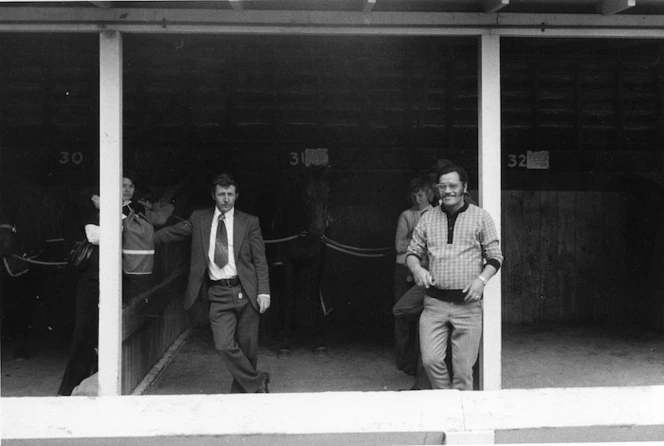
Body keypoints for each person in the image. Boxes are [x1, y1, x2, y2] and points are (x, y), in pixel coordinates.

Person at [153, 173, 271, 393]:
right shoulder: (199, 219)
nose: (226, 199)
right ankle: (257, 380)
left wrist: (264, 291)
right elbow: (173, 233)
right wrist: (140, 238)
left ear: (236, 196)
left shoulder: (249, 222)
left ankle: (242, 394)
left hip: (246, 292)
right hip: (218, 293)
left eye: (230, 194)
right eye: (221, 194)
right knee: (224, 345)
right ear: (213, 196)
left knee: (248, 350)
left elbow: (260, 260)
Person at [406, 164, 503, 390]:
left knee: (463, 370)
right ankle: (447, 402)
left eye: (453, 185)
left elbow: (495, 256)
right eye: (443, 186)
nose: (448, 191)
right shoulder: (428, 218)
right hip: (434, 304)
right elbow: (412, 252)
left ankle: (461, 413)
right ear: (437, 190)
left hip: (467, 306)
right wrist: (418, 270)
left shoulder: (481, 217)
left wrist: (481, 280)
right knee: (430, 361)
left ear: (464, 187)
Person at [393, 177, 434, 378]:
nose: (417, 198)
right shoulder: (406, 215)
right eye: (414, 195)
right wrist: (419, 242)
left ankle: (417, 363)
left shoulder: (436, 213)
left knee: (423, 318)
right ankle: (403, 361)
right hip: (404, 270)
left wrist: (413, 239)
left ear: (429, 194)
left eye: (421, 194)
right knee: (402, 316)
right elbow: (399, 246)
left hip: (428, 272)